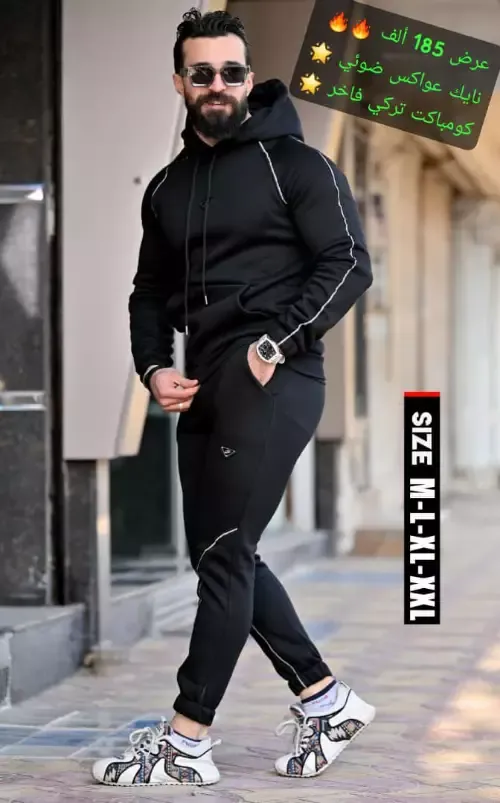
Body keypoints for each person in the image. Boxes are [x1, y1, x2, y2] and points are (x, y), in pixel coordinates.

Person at [92, 7, 374, 788]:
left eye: (231, 72)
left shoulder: (298, 165)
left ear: (250, 78)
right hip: (203, 383)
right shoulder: (168, 187)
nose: (218, 84)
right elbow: (148, 292)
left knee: (222, 554)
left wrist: (275, 343)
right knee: (222, 552)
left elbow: (349, 262)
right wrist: (153, 365)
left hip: (278, 376)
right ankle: (326, 699)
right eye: (202, 73)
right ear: (179, 81)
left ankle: (187, 738)